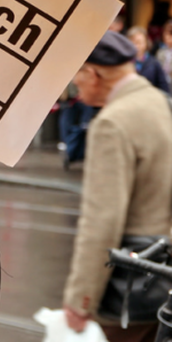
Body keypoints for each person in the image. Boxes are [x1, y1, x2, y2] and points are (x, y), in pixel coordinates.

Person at [63, 31, 172, 342]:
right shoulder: (161, 102)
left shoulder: (111, 123)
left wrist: (80, 299)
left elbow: (102, 221)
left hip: (129, 287)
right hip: (164, 280)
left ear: (93, 74)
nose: (75, 86)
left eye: (77, 76)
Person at [127, 26, 169, 92]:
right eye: (133, 42)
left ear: (146, 43)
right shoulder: (125, 62)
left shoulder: (154, 63)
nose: (136, 46)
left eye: (139, 42)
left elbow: (163, 86)